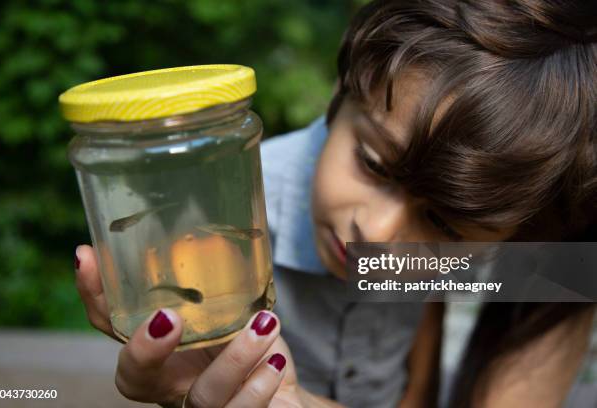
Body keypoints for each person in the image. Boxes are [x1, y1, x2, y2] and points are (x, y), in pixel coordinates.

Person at [73, 0, 596, 407]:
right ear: (340, 96)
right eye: (371, 163)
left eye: (444, 225)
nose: (376, 233)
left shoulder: (547, 262)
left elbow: (419, 366)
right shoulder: (219, 222)